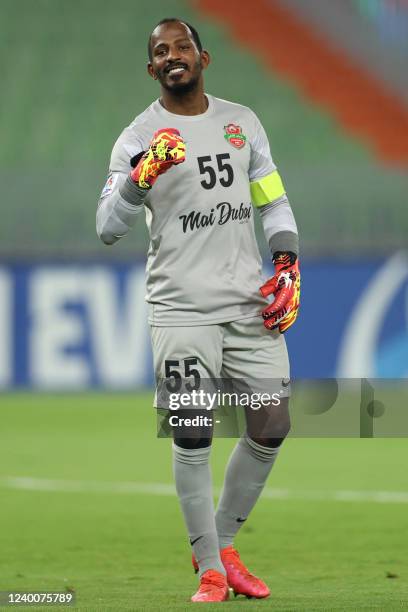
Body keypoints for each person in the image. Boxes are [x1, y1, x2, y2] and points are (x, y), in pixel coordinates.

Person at [96, 17, 300, 603]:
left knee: (273, 421)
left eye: (181, 45)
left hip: (246, 303)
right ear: (152, 69)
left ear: (203, 58)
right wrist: (141, 178)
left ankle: (226, 545)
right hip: (182, 309)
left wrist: (286, 264)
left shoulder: (242, 123)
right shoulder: (137, 137)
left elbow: (274, 201)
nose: (172, 55)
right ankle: (210, 567)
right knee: (193, 430)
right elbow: (108, 227)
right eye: (160, 51)